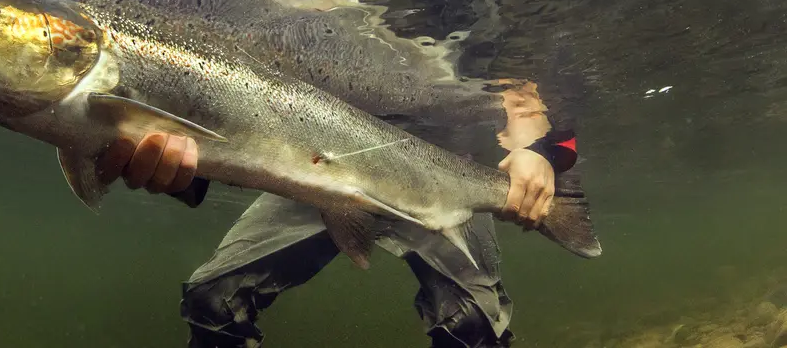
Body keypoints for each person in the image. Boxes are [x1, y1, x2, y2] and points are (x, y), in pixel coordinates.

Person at [93, 79, 579, 348]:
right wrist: (183, 172)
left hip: (440, 174)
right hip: (315, 165)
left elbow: (525, 86)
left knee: (471, 326)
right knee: (211, 300)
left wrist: (538, 151)